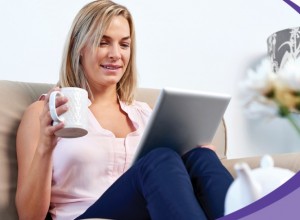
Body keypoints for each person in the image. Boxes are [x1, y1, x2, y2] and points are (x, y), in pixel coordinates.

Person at [15, 0, 233, 219]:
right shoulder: (45, 112)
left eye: (124, 44)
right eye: (103, 42)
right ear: (78, 47)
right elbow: (28, 216)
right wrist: (46, 144)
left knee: (201, 157)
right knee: (159, 159)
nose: (115, 54)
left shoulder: (146, 114)